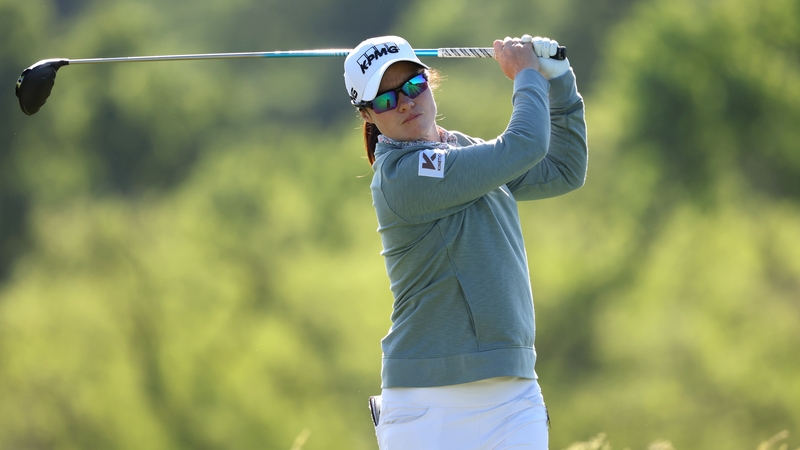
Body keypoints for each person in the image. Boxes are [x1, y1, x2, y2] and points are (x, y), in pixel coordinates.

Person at [343, 34, 588, 449]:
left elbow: (564, 169)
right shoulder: (402, 175)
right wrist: (526, 73)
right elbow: (524, 144)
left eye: (412, 86)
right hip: (425, 404)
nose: (404, 103)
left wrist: (559, 77)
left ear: (429, 81)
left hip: (511, 395)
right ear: (367, 115)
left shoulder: (463, 151)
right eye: (385, 100)